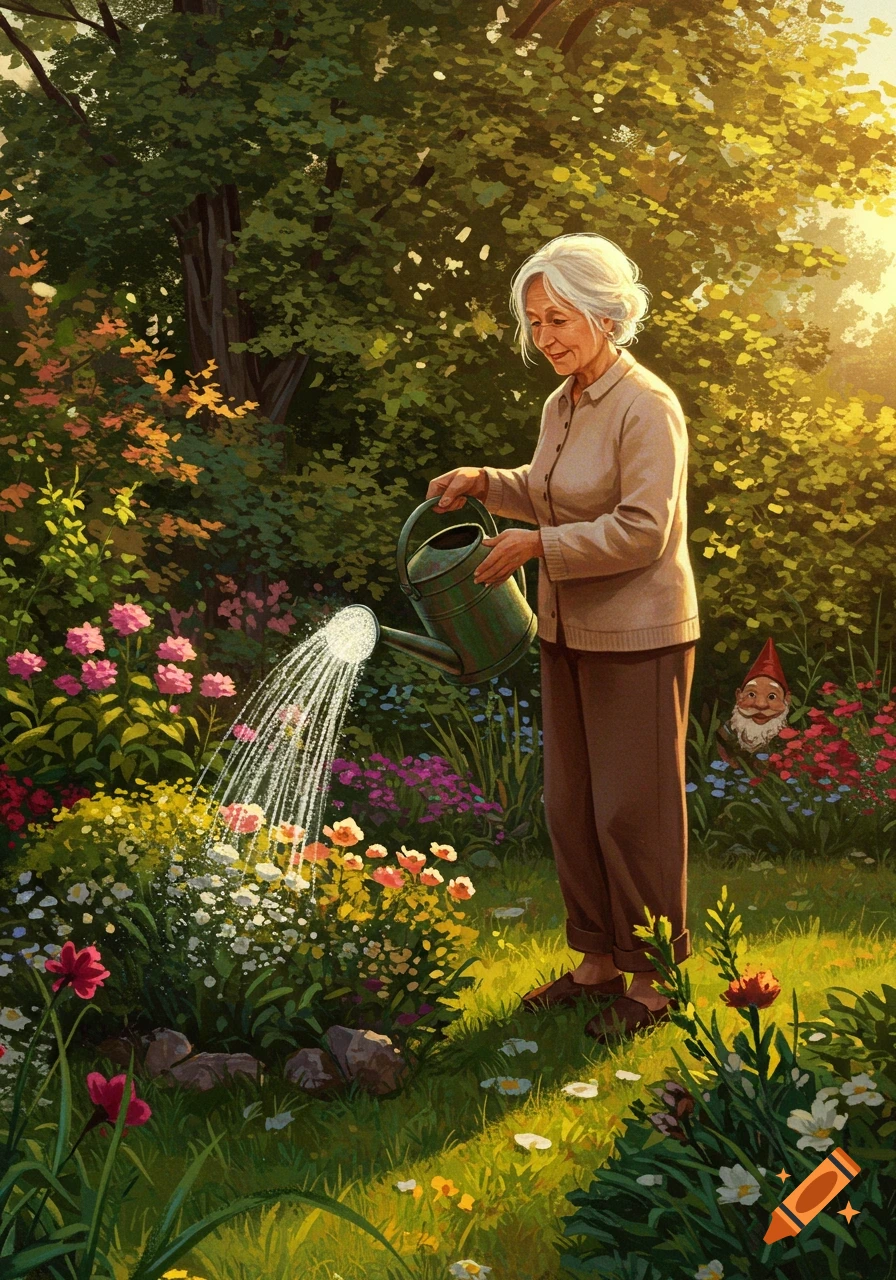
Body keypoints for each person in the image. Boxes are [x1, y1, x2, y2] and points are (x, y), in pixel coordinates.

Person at [426, 233, 700, 1042]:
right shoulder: (561, 404)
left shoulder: (647, 405)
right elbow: (549, 493)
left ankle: (654, 980)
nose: (545, 337)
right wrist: (485, 482)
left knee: (632, 811)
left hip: (641, 634)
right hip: (567, 627)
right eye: (535, 322)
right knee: (572, 805)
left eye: (559, 318)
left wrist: (539, 547)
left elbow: (644, 530)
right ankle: (595, 965)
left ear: (606, 313)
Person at [717, 638, 792, 762]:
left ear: (786, 700)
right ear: (738, 695)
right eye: (751, 694)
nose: (760, 705)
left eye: (772, 696)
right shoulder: (724, 734)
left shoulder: (789, 740)